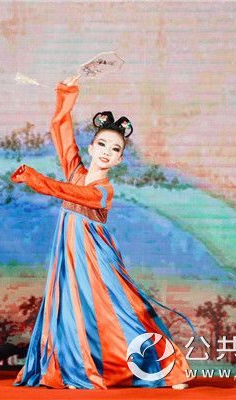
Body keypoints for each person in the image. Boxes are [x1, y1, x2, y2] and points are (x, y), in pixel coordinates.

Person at [11, 76, 194, 389]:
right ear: (91, 147)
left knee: (123, 311)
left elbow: (66, 192)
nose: (107, 152)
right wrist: (67, 92)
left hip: (95, 258)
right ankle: (73, 371)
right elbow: (60, 129)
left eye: (115, 149)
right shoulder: (75, 171)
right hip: (69, 255)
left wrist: (34, 178)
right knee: (70, 311)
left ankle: (169, 368)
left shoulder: (104, 190)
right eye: (102, 145)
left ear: (120, 159)